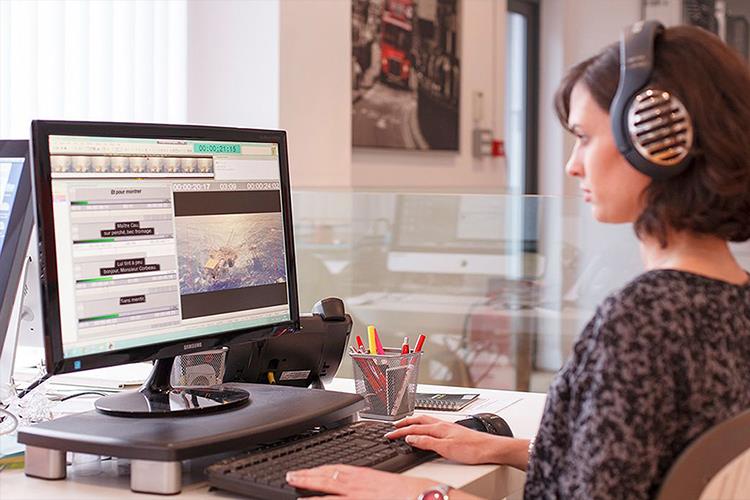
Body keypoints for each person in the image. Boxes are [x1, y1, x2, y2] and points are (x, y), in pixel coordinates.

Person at [286, 23, 750, 500]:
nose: (573, 165)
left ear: (656, 144)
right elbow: (644, 461)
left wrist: (425, 495)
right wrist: (505, 449)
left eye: (586, 137)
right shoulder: (734, 298)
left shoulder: (644, 319)